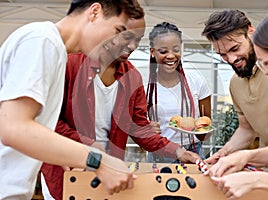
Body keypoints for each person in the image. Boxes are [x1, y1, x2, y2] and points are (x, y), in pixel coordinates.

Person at [0, 0, 149, 199]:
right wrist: (99, 161)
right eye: (118, 31)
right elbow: (13, 128)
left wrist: (69, 155)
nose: (120, 43)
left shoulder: (56, 51)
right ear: (94, 12)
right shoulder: (43, 40)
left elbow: (32, 129)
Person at [40, 17, 201, 200]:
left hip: (109, 173)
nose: (132, 45)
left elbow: (140, 128)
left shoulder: (132, 77)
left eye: (138, 40)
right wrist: (88, 145)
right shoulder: (71, 64)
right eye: (127, 37)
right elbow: (48, 120)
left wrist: (179, 151)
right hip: (67, 169)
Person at [201, 8, 268, 200]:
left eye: (235, 49)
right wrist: (232, 154)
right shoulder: (235, 83)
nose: (230, 59)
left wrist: (255, 177)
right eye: (222, 55)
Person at [145, 22, 212, 163]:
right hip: (159, 152)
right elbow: (137, 129)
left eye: (175, 49)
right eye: (163, 51)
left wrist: (201, 130)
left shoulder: (196, 80)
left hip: (193, 152)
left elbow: (205, 129)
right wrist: (145, 130)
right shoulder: (145, 86)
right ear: (152, 52)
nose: (171, 56)